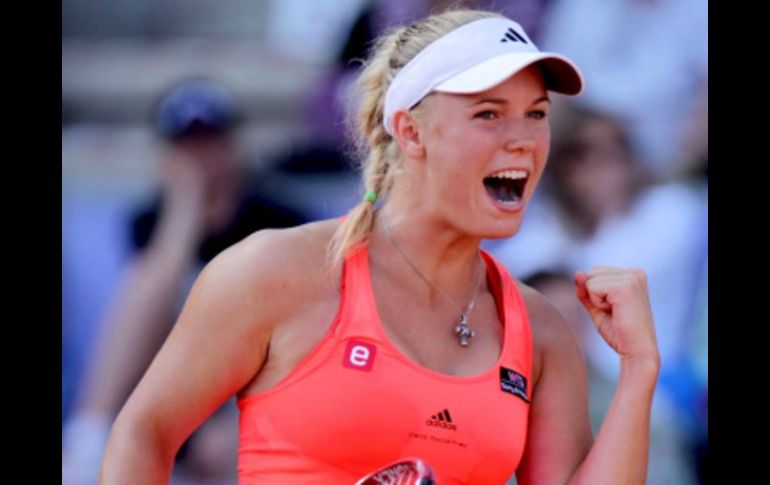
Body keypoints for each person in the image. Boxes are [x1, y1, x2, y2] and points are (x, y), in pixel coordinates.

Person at [100, 10, 660, 484]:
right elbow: (144, 432)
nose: (523, 138)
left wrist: (638, 369)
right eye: (488, 113)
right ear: (410, 131)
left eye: (536, 115)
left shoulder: (541, 330)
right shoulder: (276, 270)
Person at [63, 78, 305, 484]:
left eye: (210, 141)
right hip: (168, 385)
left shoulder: (277, 218)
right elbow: (154, 302)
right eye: (187, 144)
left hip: (243, 389)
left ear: (232, 144)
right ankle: (90, 431)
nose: (200, 157)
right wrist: (185, 209)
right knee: (151, 279)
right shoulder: (152, 219)